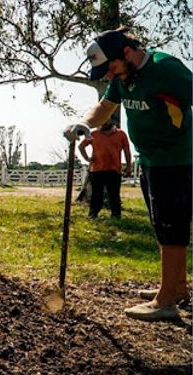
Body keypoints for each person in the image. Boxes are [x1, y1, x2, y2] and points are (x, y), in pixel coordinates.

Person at [64, 28, 191, 321]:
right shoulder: (124, 78)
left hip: (175, 159)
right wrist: (84, 123)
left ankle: (166, 301)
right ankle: (178, 286)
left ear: (126, 52)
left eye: (110, 68)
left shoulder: (166, 69)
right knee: (163, 226)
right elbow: (105, 106)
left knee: (172, 228)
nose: (108, 76)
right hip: (149, 160)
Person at [78, 119, 132, 219]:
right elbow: (81, 146)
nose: (104, 123)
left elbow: (127, 150)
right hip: (97, 169)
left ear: (110, 121)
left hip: (114, 169)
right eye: (102, 121)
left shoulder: (121, 134)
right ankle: (93, 215)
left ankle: (116, 215)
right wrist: (87, 158)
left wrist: (128, 167)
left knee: (114, 194)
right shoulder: (94, 134)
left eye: (106, 121)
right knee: (96, 194)